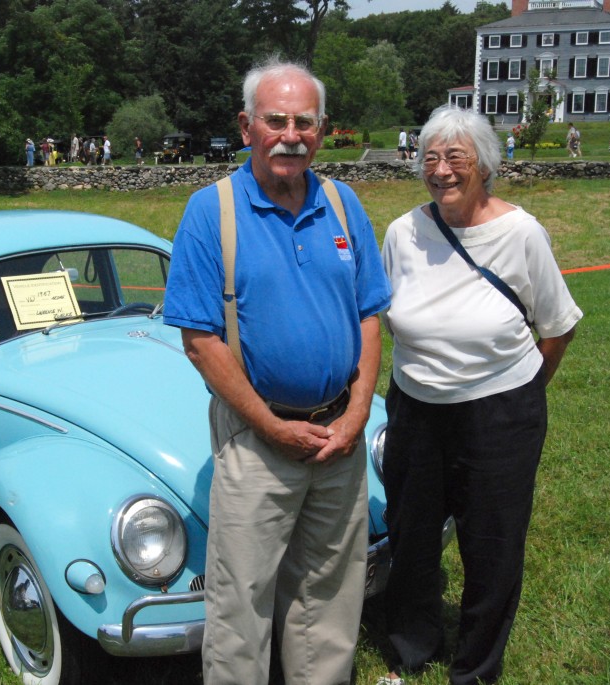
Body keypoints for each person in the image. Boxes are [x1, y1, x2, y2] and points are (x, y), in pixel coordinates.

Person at [163, 57, 391, 685]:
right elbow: (201, 340)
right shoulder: (212, 212)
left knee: (329, 599)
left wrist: (357, 411)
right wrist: (267, 425)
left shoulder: (343, 204)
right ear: (246, 126)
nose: (291, 135)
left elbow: (370, 316)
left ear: (321, 130)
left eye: (304, 122)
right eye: (275, 120)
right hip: (255, 439)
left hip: (337, 441)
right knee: (242, 603)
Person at [376, 105, 582, 685]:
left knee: (492, 546)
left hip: (500, 416)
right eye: (431, 158)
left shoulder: (521, 233)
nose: (441, 170)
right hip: (415, 407)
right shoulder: (402, 233)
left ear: (486, 165)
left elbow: (558, 326)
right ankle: (411, 648)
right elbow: (389, 319)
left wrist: (518, 393)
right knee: (411, 535)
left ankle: (476, 669)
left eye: (455, 158)